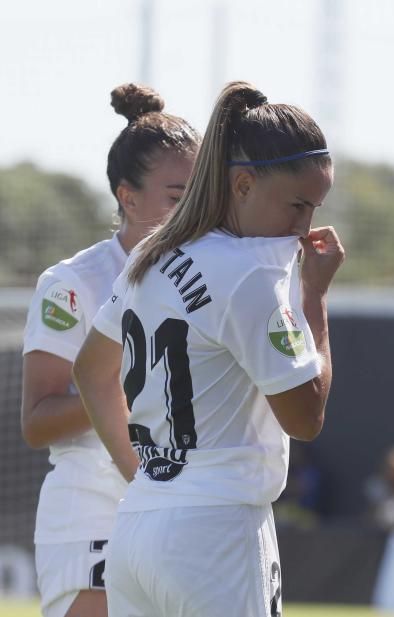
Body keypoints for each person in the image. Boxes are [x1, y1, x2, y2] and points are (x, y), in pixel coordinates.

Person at [71, 81, 345, 617]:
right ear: (242, 184)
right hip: (218, 533)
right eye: (296, 204)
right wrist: (315, 296)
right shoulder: (250, 274)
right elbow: (306, 417)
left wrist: (144, 474)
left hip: (140, 522)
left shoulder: (153, 254)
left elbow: (90, 371)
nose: (304, 225)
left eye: (313, 207)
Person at [20, 83, 199, 617]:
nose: (191, 211)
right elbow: (37, 421)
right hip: (93, 512)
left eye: (199, 195)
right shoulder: (74, 283)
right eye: (176, 196)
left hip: (187, 512)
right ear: (127, 196)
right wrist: (122, 381)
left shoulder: (213, 279)